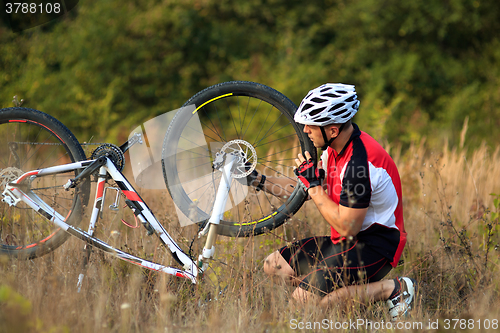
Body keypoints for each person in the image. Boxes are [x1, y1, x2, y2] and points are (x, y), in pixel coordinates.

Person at [246, 83, 417, 320]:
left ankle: (392, 289)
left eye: (311, 125)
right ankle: (337, 292)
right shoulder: (335, 149)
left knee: (302, 303)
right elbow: (303, 190)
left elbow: (347, 227)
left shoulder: (359, 165)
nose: (305, 130)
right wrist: (257, 179)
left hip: (374, 247)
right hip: (347, 243)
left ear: (333, 130)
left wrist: (314, 185)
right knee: (274, 265)